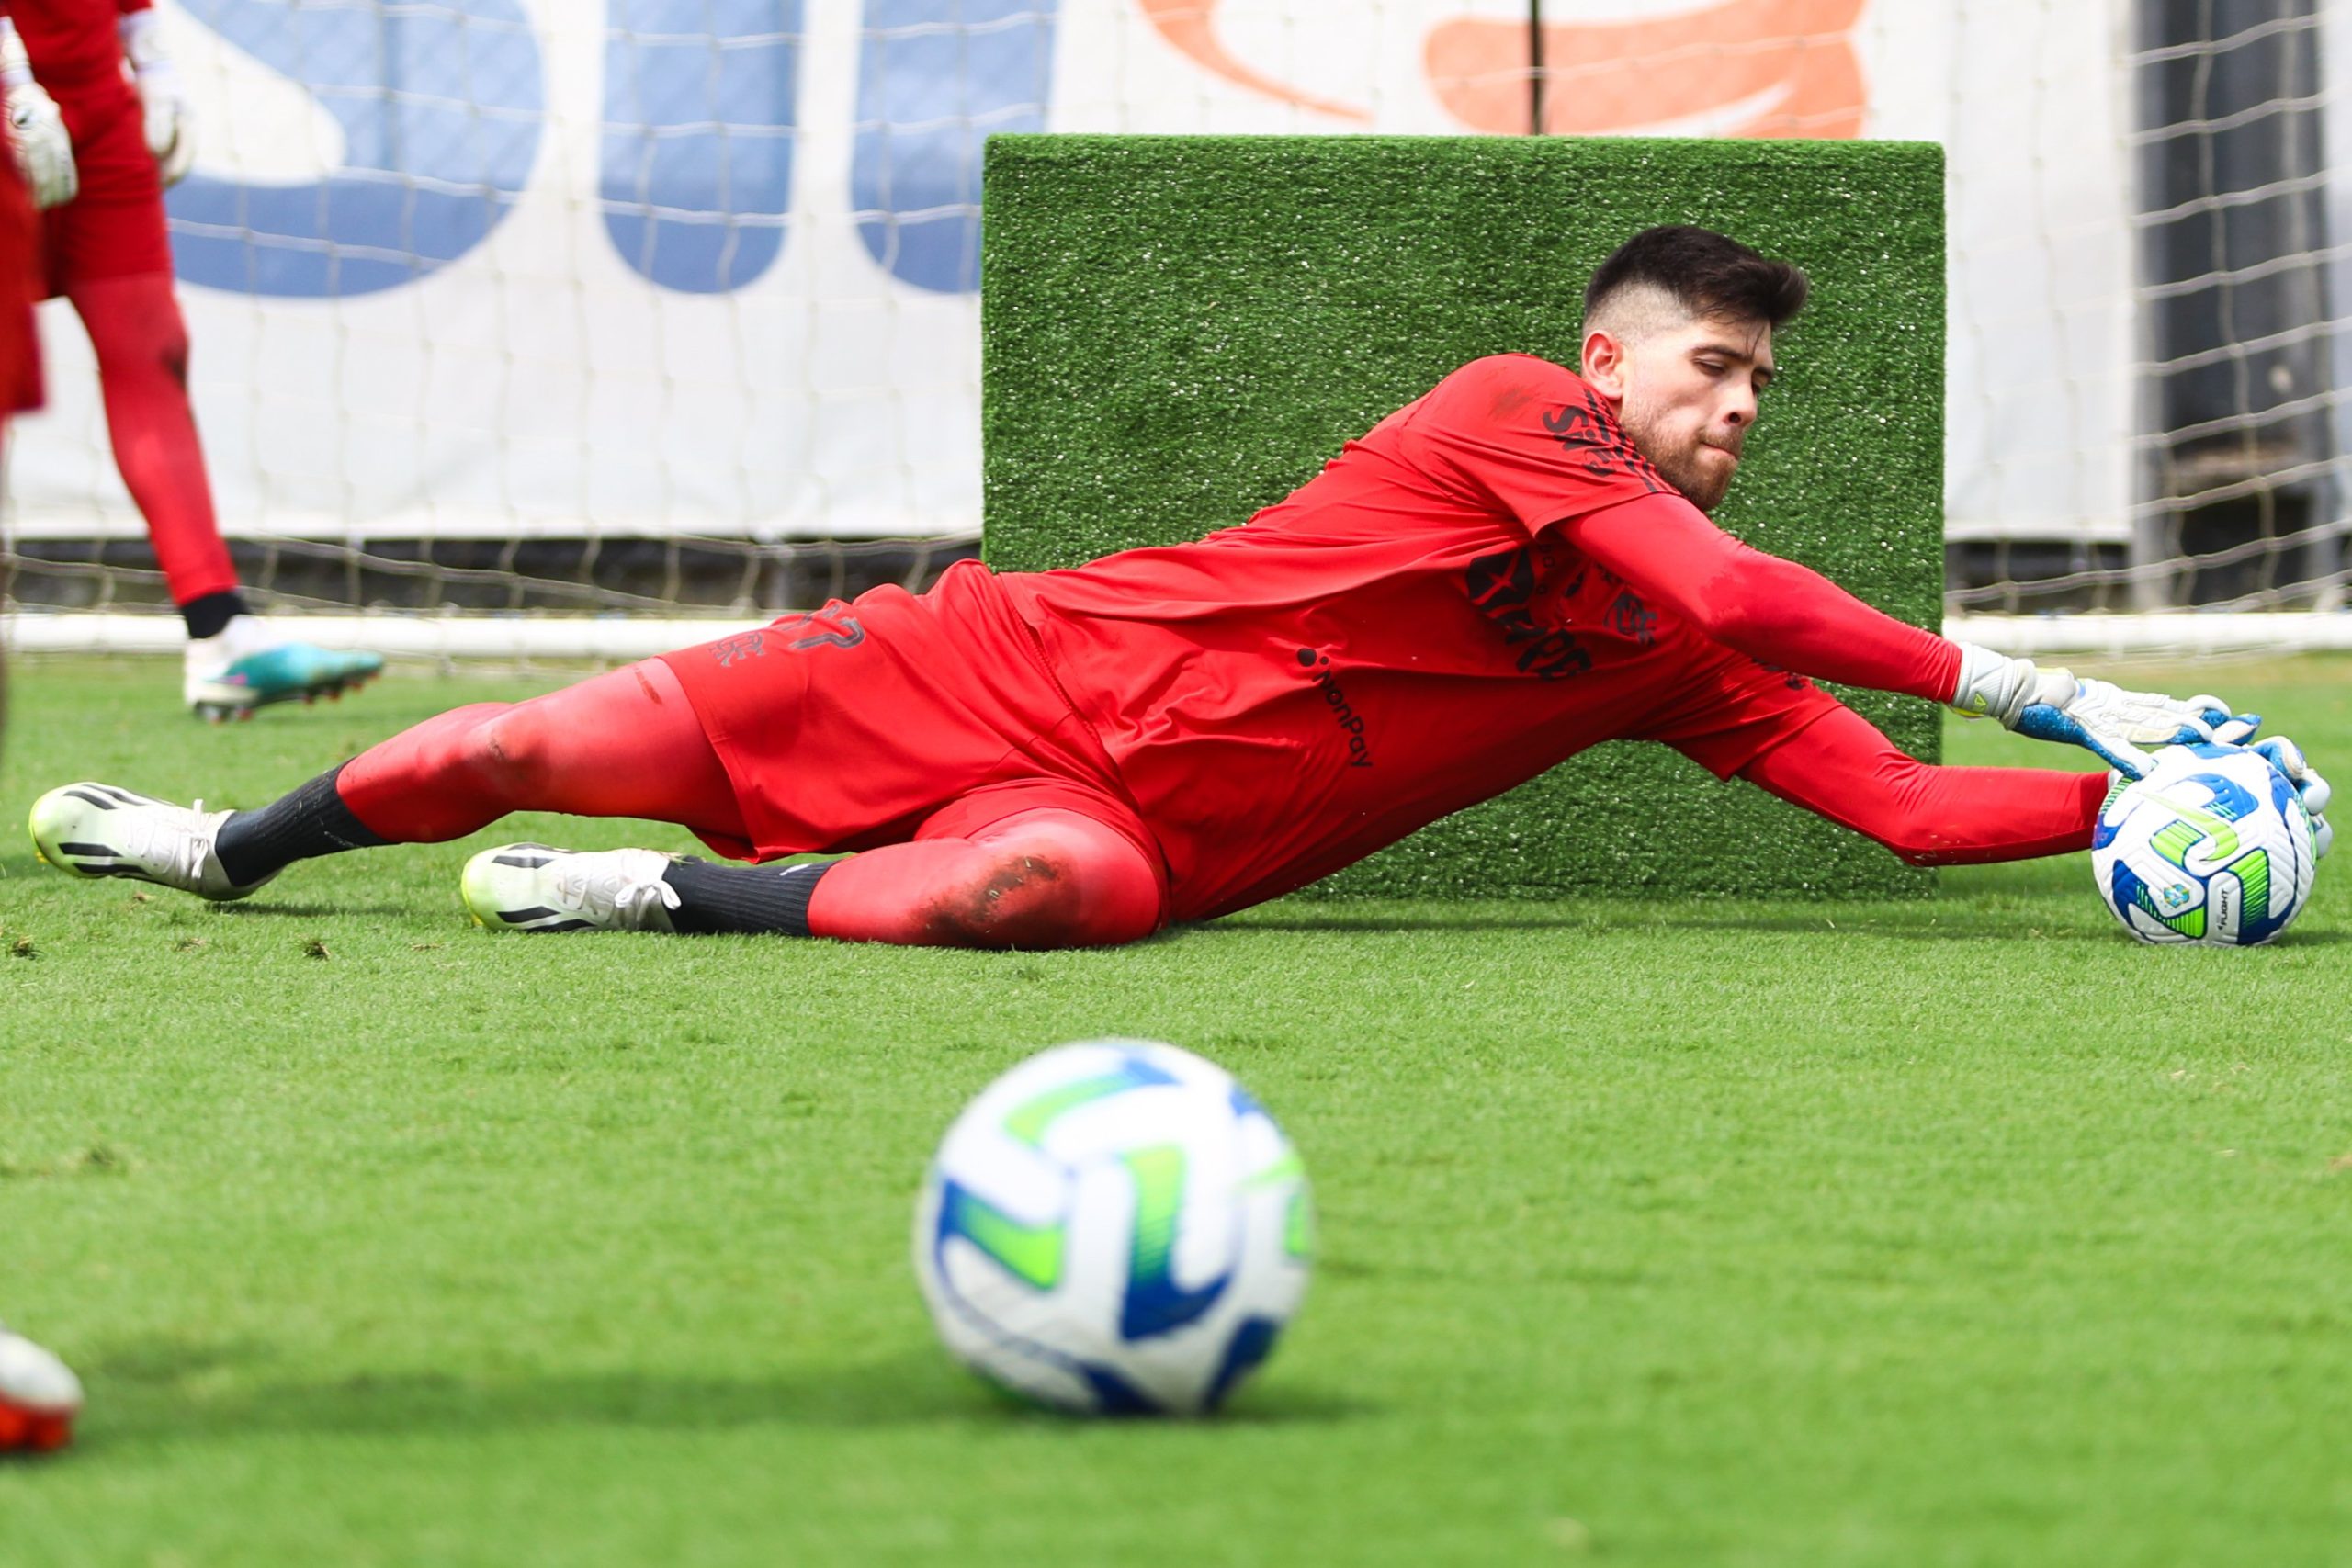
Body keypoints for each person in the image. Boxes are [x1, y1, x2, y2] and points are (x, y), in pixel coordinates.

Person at [27, 225, 2335, 944]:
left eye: (1753, 389)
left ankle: (649, 900)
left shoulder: (1659, 646)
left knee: (1030, 899)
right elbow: (1735, 594)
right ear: (1604, 360)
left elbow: (1911, 809)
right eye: (1706, 370)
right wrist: (2059, 686)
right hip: (984, 661)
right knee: (495, 738)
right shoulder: (1501, 409)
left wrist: (2181, 796)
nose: (1730, 406)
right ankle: (228, 842)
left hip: (1148, 831)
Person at [1, 0, 382, 720]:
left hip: (96, 106)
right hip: (9, 102)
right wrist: (11, 76)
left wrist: (150, 53)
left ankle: (219, 632)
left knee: (153, 348)